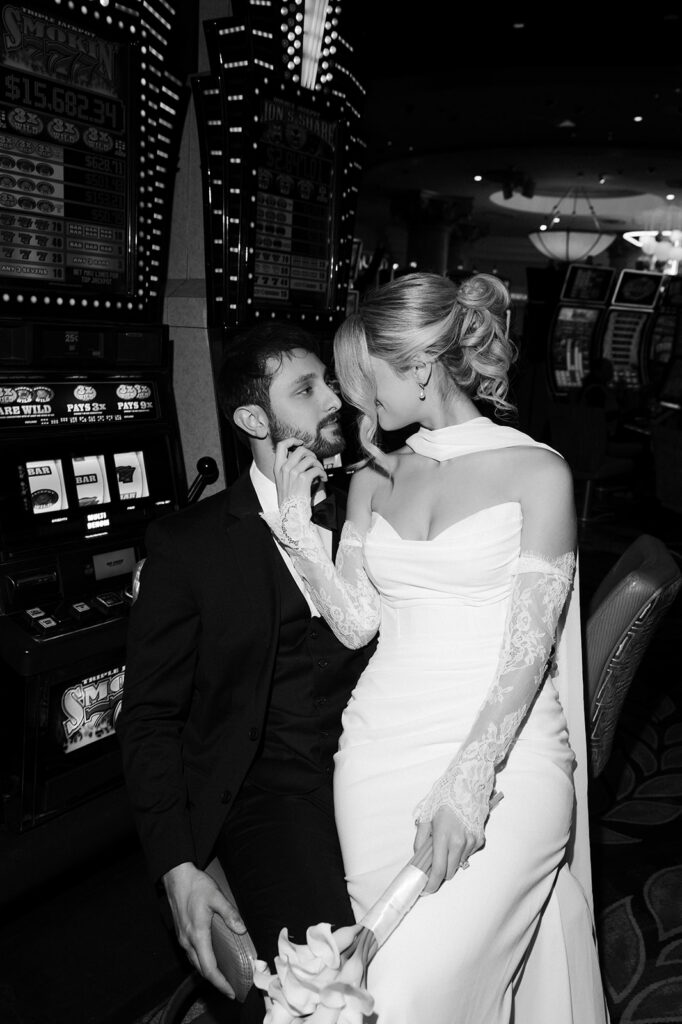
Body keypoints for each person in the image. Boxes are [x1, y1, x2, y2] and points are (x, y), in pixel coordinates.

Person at [261, 273, 609, 1023]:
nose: (353, 399)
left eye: (364, 376)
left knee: (408, 992)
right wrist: (297, 526)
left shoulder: (535, 471)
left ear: (419, 366)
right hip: (378, 754)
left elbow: (528, 652)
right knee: (382, 980)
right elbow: (356, 622)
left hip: (504, 755)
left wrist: (470, 780)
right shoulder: (373, 478)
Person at [115, 322, 377, 1023]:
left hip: (376, 765)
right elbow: (147, 718)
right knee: (333, 987)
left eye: (329, 380)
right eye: (308, 388)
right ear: (253, 418)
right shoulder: (190, 547)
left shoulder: (372, 501)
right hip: (274, 793)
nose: (334, 399)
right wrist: (178, 869)